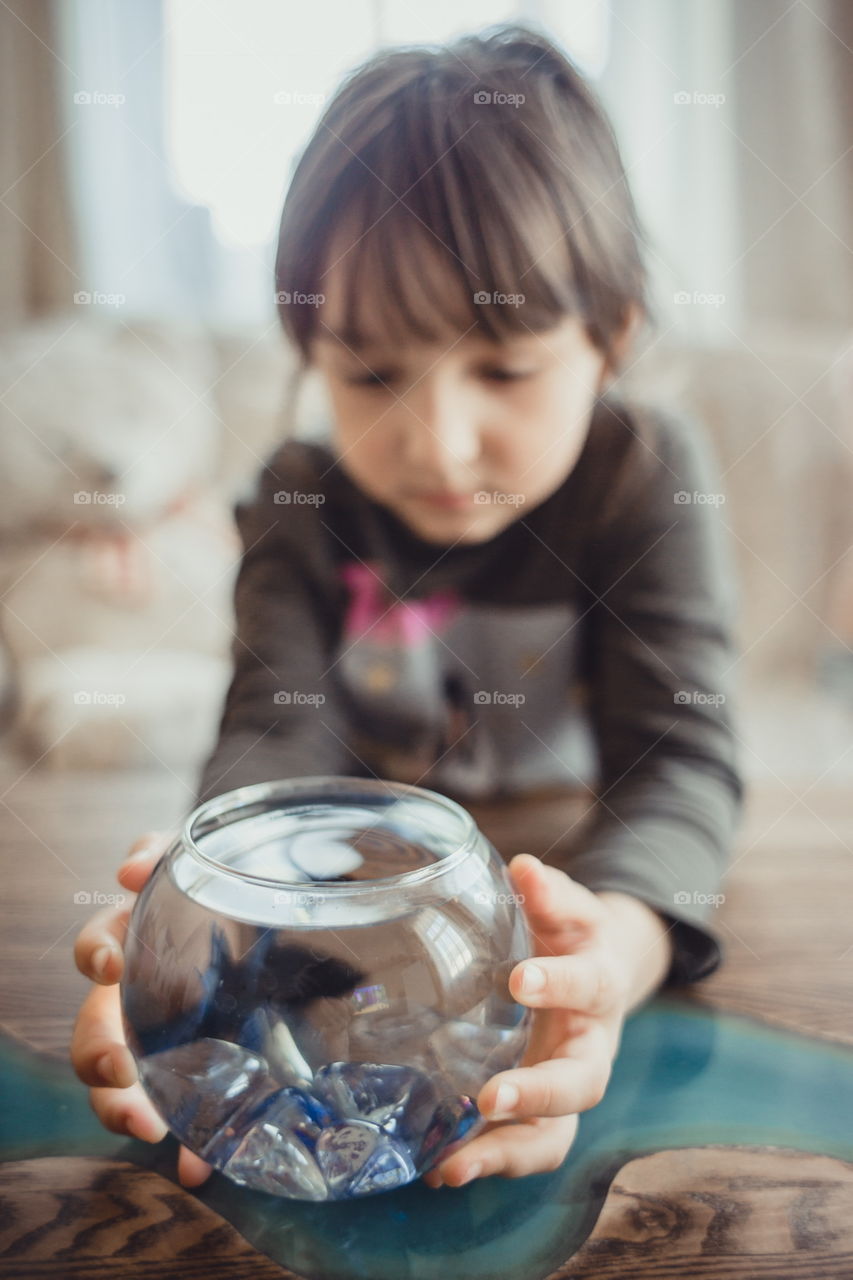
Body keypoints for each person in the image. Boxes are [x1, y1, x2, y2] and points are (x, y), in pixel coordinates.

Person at [71, 23, 742, 1192]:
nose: (435, 443)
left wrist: (614, 950)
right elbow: (272, 740)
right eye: (373, 373)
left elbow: (679, 761)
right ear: (308, 347)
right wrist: (200, 923)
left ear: (612, 335)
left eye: (505, 369)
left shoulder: (643, 477)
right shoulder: (298, 495)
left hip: (560, 878)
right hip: (357, 938)